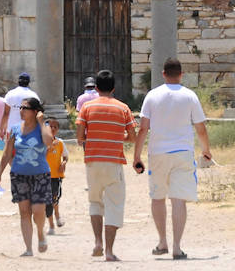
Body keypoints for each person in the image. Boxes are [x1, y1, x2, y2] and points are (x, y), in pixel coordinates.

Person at [132, 58, 213, 261]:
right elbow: (201, 128)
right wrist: (206, 150)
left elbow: (143, 128)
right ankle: (177, 247)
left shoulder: (152, 96)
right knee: (178, 200)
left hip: (158, 152)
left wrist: (136, 156)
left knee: (158, 197)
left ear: (163, 74)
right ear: (181, 74)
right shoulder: (190, 96)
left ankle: (162, 242)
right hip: (183, 152)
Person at [76, 68, 136, 262]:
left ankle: (97, 242)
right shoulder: (123, 108)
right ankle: (109, 251)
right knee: (114, 204)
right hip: (114, 161)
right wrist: (120, 137)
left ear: (97, 88)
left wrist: (89, 137)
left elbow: (79, 134)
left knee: (95, 201)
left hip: (93, 160)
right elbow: (132, 137)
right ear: (113, 88)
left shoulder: (87, 107)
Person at [0, 96, 54, 256]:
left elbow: (49, 142)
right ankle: (28, 248)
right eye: (20, 108)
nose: (21, 111)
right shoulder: (15, 129)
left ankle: (41, 234)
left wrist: (42, 122)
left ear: (35, 112)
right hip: (19, 175)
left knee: (38, 210)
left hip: (40, 175)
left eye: (25, 108)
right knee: (24, 212)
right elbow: (7, 153)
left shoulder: (43, 127)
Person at [45, 117, 67, 234]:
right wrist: (48, 148)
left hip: (56, 176)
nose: (52, 129)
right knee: (47, 202)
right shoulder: (42, 142)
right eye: (50, 127)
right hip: (43, 176)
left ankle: (57, 214)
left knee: (54, 199)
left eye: (55, 127)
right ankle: (51, 225)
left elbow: (65, 156)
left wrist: (63, 163)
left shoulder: (60, 143)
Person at [1, 71, 37, 140]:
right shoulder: (34, 95)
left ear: (18, 81)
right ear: (28, 82)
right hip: (28, 130)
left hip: (11, 129)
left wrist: (1, 128)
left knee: (10, 150)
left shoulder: (10, 94)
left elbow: (6, 113)